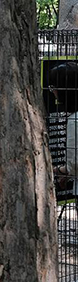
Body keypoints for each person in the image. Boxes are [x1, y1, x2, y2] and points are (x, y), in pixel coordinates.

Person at [51, 62, 78, 194]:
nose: (53, 92)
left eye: (53, 87)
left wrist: (60, 170)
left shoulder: (75, 121)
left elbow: (75, 164)